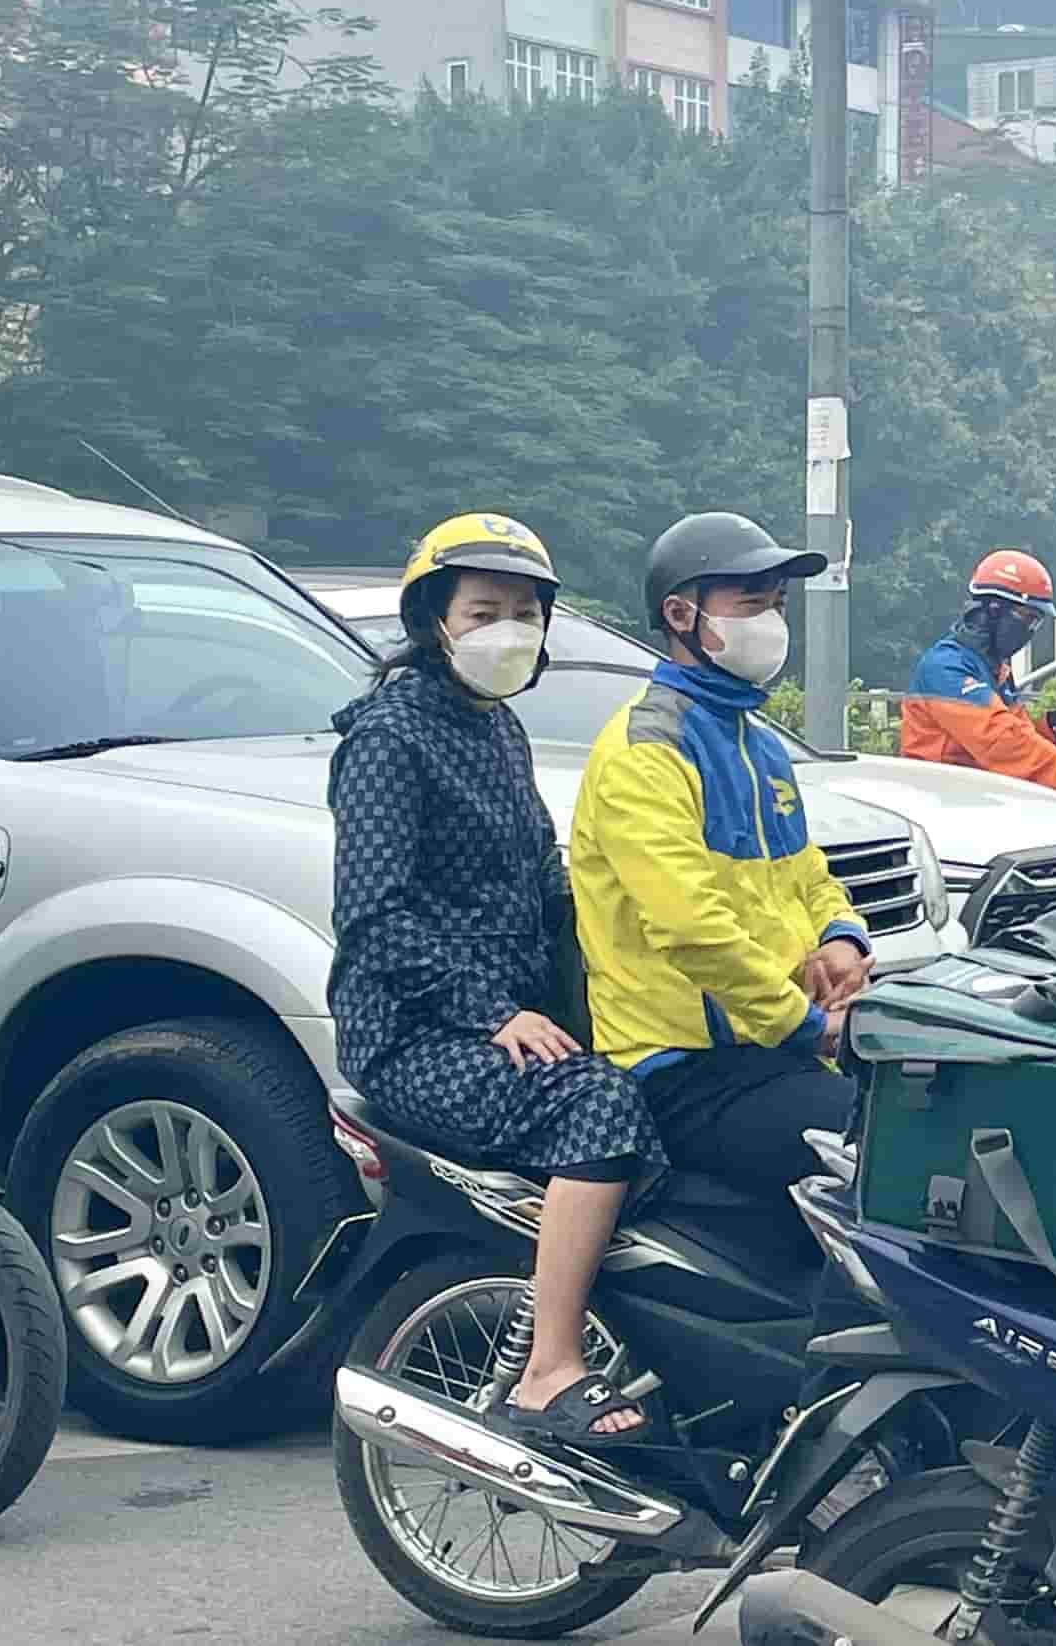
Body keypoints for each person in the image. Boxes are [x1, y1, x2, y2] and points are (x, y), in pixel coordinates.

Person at [328, 513, 665, 1448]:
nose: (508, 629)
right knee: (595, 1109)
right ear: (436, 618)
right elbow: (371, 916)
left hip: (518, 1015)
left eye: (527, 611)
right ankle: (547, 1366)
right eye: (486, 610)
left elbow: (543, 880)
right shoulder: (389, 738)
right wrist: (492, 1013)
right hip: (415, 1032)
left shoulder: (498, 727)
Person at [570, 513, 867, 1202]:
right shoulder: (648, 750)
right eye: (751, 601)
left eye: (777, 603)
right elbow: (691, 928)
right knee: (880, 1160)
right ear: (680, 614)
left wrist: (841, 937)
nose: (771, 620)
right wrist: (814, 1028)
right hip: (683, 1064)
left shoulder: (755, 740)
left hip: (771, 1045)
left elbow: (804, 872)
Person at [900, 550, 1056, 802]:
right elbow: (1001, 744)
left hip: (978, 799)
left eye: (1037, 622)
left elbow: (1019, 736)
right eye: (1027, 618)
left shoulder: (995, 668)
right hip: (938, 805)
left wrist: (1052, 736)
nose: (1030, 630)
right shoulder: (945, 668)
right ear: (994, 609)